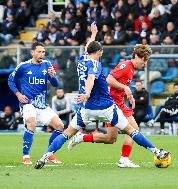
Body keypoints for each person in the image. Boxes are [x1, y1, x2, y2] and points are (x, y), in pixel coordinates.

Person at [34, 23, 170, 169]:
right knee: (132, 130)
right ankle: (157, 151)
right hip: (106, 107)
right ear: (99, 51)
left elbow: (88, 48)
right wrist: (87, 93)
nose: (102, 53)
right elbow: (92, 79)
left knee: (67, 133)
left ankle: (44, 157)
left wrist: (93, 34)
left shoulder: (82, 60)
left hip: (86, 109)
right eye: (101, 51)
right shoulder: (96, 65)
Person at [8, 41, 64, 165]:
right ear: (32, 52)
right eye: (39, 51)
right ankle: (26, 156)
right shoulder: (23, 66)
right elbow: (11, 80)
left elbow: (56, 85)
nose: (42, 54)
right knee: (31, 123)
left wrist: (53, 77)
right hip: (28, 103)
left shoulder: (47, 64)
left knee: (60, 126)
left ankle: (49, 154)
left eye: (43, 52)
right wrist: (18, 95)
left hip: (42, 104)